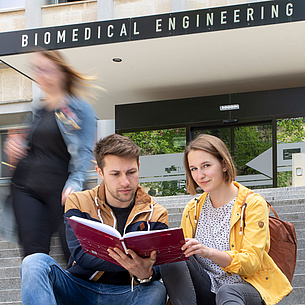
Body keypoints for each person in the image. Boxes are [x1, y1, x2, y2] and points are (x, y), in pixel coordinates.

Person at [20, 134, 168, 305]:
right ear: (100, 172)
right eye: (115, 174)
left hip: (128, 292)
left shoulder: (157, 213)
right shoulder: (79, 202)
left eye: (131, 172)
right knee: (34, 262)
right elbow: (81, 254)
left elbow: (158, 268)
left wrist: (146, 274)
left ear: (139, 167)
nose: (125, 181)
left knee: (157, 289)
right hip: (78, 289)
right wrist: (135, 263)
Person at [161, 134, 292, 305]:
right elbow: (183, 255)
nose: (200, 175)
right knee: (173, 262)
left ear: (224, 164)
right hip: (207, 285)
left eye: (206, 165)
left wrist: (208, 252)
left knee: (227, 291)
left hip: (244, 288)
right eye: (193, 169)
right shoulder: (192, 209)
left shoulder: (252, 204)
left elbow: (251, 263)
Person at [4, 50, 96, 261]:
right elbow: (28, 144)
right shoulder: (37, 110)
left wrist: (76, 181)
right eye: (37, 69)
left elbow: (83, 151)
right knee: (33, 257)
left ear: (61, 72)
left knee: (73, 254)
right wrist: (14, 145)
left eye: (47, 69)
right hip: (26, 189)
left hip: (63, 192)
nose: (41, 75)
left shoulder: (80, 109)